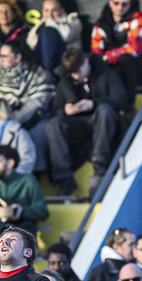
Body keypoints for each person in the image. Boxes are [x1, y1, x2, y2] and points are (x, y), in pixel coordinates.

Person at [46, 48, 127, 196]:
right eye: (72, 73)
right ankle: (64, 177)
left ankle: (100, 165)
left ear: (86, 61)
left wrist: (94, 104)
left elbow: (121, 100)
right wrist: (64, 110)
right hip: (78, 125)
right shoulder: (66, 81)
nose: (76, 76)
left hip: (103, 123)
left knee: (104, 110)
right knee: (53, 125)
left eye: (78, 71)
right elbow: (54, 109)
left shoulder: (105, 73)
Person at [91, 0, 142, 107]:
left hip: (137, 66)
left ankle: (129, 107)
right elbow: (96, 51)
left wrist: (109, 56)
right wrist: (102, 60)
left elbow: (134, 49)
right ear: (110, 3)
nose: (120, 7)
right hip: (110, 65)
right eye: (116, 3)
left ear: (131, 4)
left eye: (125, 4)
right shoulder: (101, 23)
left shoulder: (139, 19)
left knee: (125, 60)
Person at [0, 42, 54, 131]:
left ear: (18, 57)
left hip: (30, 122)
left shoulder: (35, 73)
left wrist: (15, 118)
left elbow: (40, 100)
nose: (1, 60)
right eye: (0, 56)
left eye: (5, 56)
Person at [0, 145, 48, 238]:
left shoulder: (28, 182)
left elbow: (43, 212)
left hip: (22, 237)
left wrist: (22, 211)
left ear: (10, 163)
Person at [26, 0, 83, 73]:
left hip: (66, 64)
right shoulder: (40, 25)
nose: (50, 14)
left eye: (54, 10)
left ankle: (47, 73)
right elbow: (30, 42)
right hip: (43, 62)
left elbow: (66, 35)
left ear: (62, 10)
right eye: (46, 10)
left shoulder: (72, 20)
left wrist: (50, 22)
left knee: (47, 32)